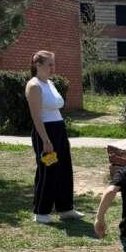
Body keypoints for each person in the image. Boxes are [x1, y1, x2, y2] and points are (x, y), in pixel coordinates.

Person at [25, 50, 83, 224]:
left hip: (59, 129)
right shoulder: (34, 85)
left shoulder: (50, 83)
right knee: (48, 170)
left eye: (53, 64)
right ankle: (41, 212)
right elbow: (36, 116)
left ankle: (66, 209)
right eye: (49, 64)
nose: (53, 67)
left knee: (64, 168)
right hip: (45, 132)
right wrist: (46, 140)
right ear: (38, 65)